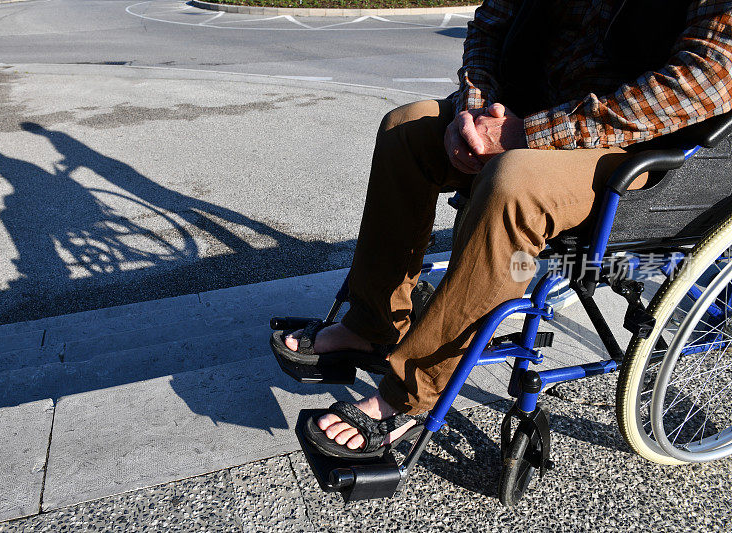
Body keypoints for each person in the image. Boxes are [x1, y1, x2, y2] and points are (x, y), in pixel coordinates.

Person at [273, 0, 732, 457]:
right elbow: (491, 25)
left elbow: (707, 78)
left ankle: (409, 396)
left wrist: (527, 134)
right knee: (405, 128)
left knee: (513, 181)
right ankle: (371, 325)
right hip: (524, 110)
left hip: (628, 146)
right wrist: (470, 116)